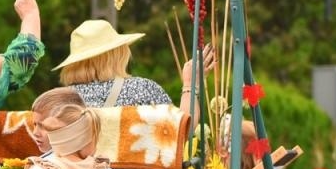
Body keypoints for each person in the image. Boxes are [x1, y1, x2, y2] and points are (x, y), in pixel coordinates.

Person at [55, 18, 216, 110]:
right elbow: (180, 132)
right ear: (117, 54)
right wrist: (190, 83)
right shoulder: (141, 90)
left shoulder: (57, 102)